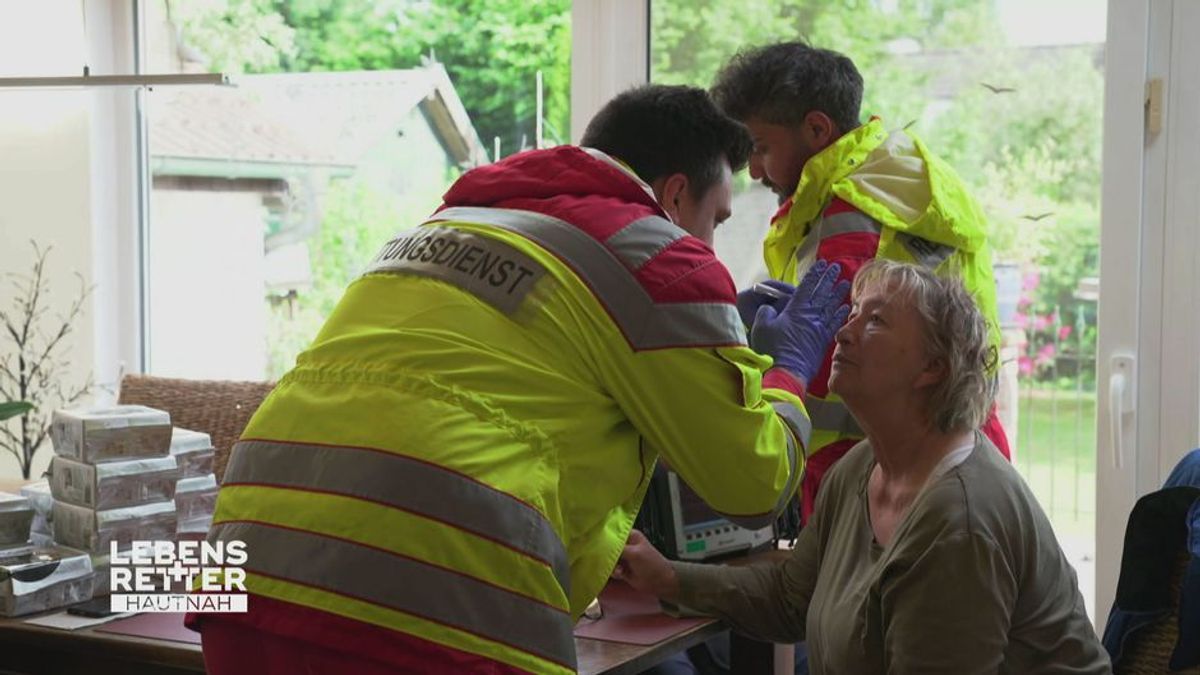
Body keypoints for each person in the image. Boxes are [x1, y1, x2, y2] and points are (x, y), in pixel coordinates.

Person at [189, 84, 852, 675]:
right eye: (717, 219)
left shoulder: (434, 229)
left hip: (246, 567)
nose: (710, 244)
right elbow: (752, 480)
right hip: (436, 589)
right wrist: (789, 371)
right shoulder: (663, 254)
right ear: (676, 195)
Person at [617, 260, 1112, 674]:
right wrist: (668, 578)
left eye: (874, 321)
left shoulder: (958, 521)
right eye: (852, 314)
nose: (843, 333)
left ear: (933, 367)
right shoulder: (861, 467)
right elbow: (792, 599)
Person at [717, 41, 1011, 525]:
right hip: (927, 449)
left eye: (762, 148)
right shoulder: (885, 185)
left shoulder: (852, 209)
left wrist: (748, 359)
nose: (753, 170)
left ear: (816, 129)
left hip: (886, 467)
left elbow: (830, 351)